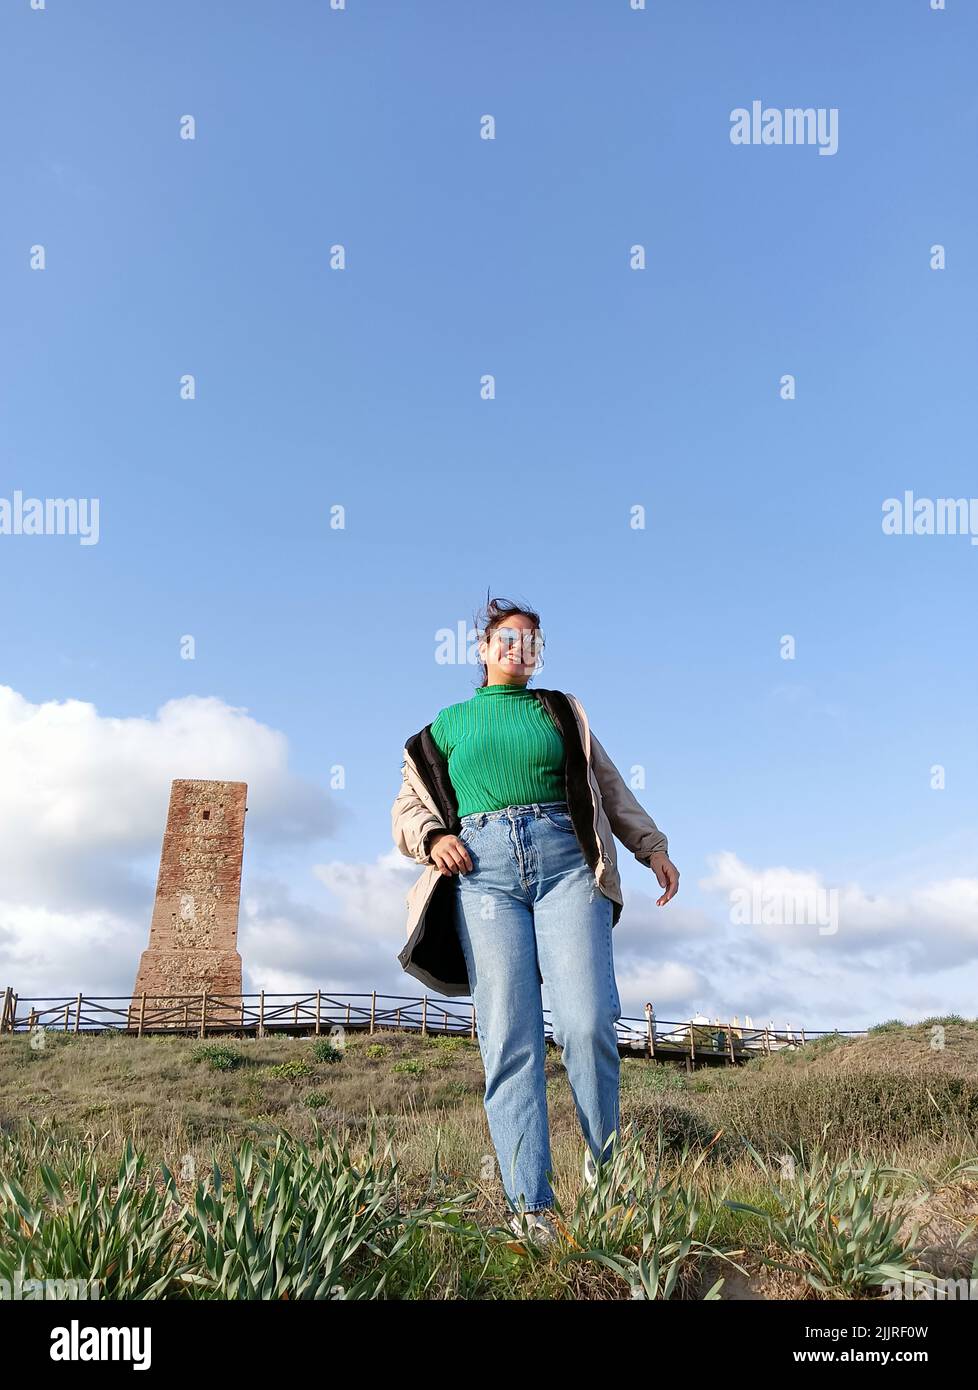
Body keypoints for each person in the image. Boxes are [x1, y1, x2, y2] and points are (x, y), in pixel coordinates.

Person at [391, 597, 679, 1242]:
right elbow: (407, 808)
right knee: (509, 1036)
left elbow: (608, 787)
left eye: (531, 641)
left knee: (588, 1023)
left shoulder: (562, 712)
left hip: (567, 864)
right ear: (485, 650)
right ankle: (533, 1208)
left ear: (538, 654)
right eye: (506, 639)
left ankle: (610, 1190)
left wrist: (651, 845)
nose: (518, 649)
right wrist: (433, 836)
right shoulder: (444, 726)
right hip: (481, 874)